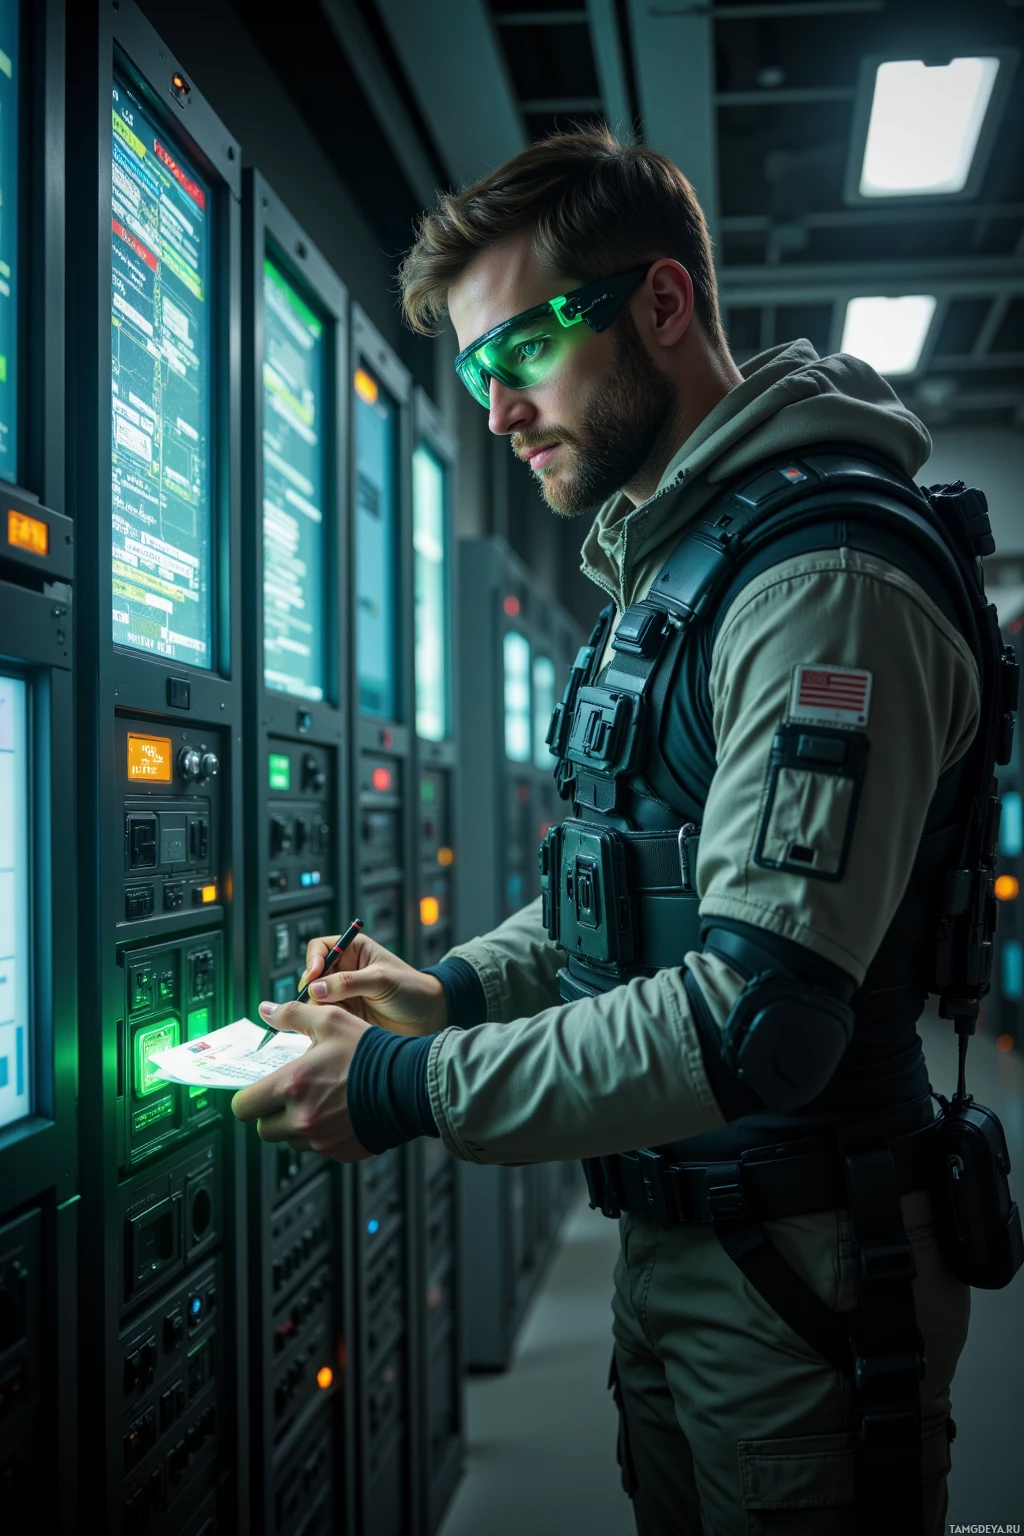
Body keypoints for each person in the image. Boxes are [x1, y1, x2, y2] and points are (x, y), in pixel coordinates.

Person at [232, 128, 992, 1535]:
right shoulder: (687, 562)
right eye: (473, 373)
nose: (497, 411)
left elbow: (752, 1017)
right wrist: (451, 989)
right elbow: (631, 883)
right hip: (690, 1230)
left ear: (661, 302)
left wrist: (403, 1085)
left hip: (805, 1259)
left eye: (519, 349)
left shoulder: (820, 584)